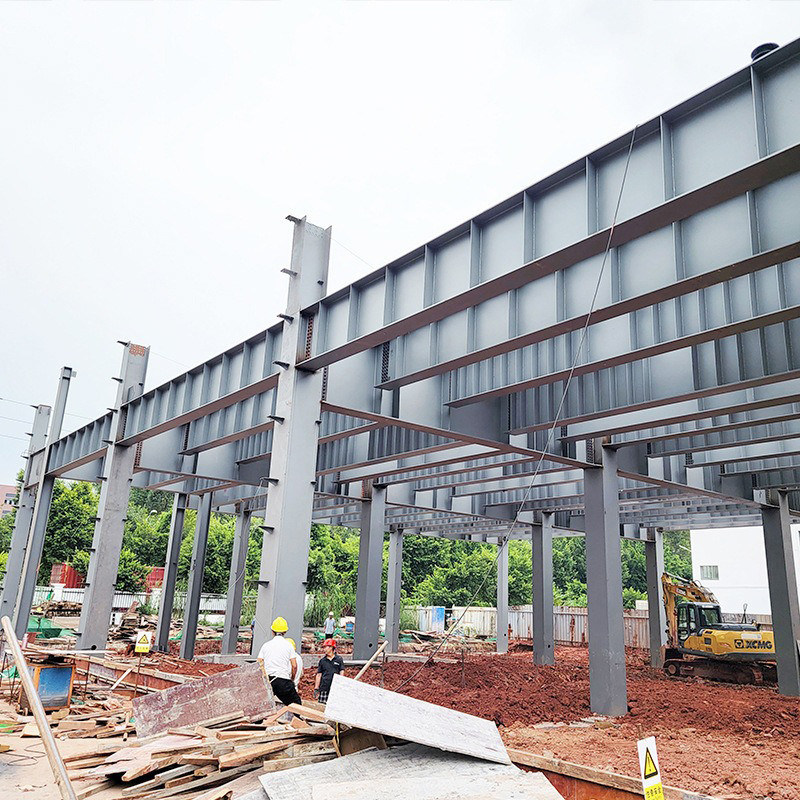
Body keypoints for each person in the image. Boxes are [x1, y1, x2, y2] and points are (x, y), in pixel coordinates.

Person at [257, 617, 302, 707]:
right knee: (296, 705)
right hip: (283, 681)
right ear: (285, 632)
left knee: (262, 706)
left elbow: (259, 663)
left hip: (269, 681)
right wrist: (292, 680)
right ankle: (298, 719)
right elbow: (294, 666)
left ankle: (258, 721)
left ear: (272, 631)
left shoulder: (266, 645)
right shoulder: (289, 646)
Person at [314, 638, 343, 703]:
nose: (324, 649)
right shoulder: (322, 661)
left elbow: (342, 672)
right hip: (324, 688)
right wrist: (316, 688)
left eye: (325, 647)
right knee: (322, 708)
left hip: (335, 688)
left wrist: (341, 684)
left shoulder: (339, 659)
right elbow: (319, 675)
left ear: (331, 647)